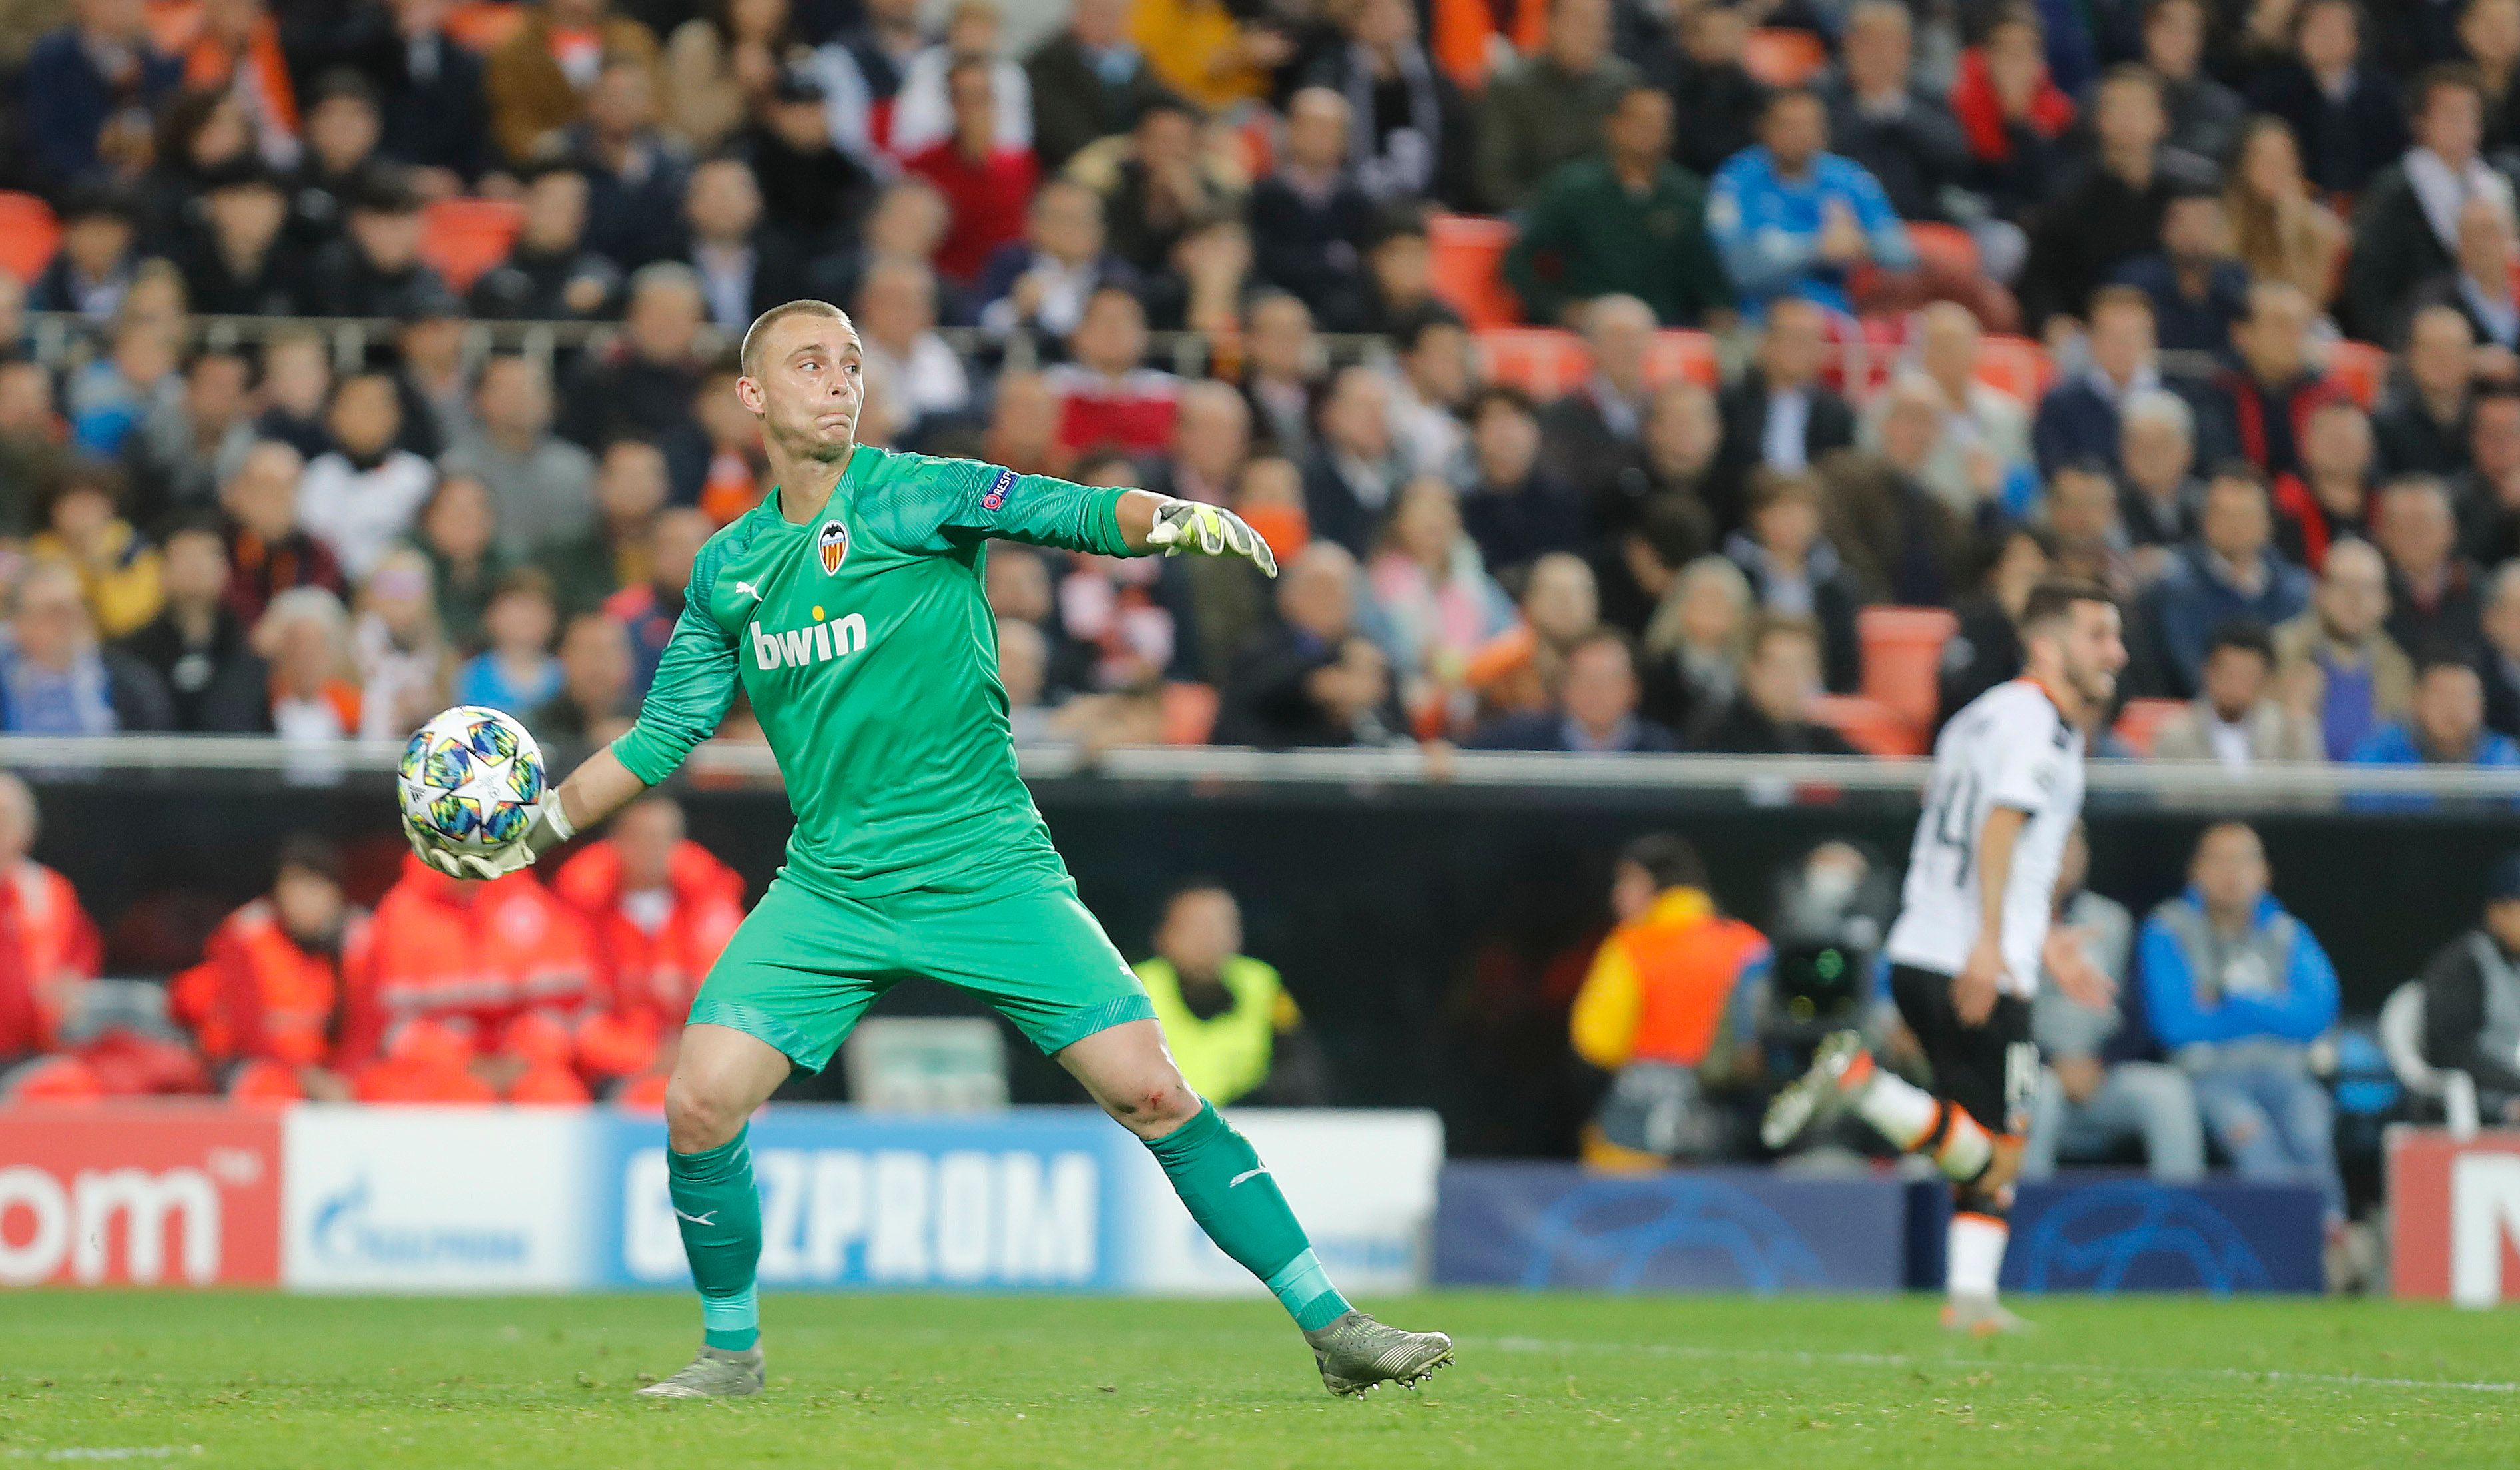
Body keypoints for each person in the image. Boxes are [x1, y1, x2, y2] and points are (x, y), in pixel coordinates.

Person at [400, 298, 1445, 1397]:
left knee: (1153, 1093)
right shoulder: (729, 567)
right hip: (833, 885)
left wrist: (1172, 516)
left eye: (851, 362)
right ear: (751, 396)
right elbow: (662, 736)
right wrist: (533, 834)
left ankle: (1334, 1326)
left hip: (989, 867)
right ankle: (729, 1354)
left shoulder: (916, 490)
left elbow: (1065, 510)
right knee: (699, 1100)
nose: (839, 380)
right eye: (810, 364)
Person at [1765, 580, 2127, 1335]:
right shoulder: (2041, 727)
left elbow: (1970, 841)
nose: (2115, 653)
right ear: (2048, 643)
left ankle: (1970, 1301)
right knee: (1997, 1155)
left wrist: (2040, 937)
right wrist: (1995, 943)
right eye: (2098, 635)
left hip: (1922, 949)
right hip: (1975, 963)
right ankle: (1866, 1087)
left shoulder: (1979, 715)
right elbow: (1997, 829)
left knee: (1975, 1136)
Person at [2138, 822, 2346, 1224]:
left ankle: (2329, 1233)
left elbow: (2317, 1015)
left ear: (2264, 873)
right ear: (2195, 871)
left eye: (2242, 861)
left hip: (2283, 1073)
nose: (2231, 874)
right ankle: (2280, 1241)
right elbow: (2175, 1024)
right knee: (2251, 1133)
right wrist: (2275, 1011)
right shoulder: (2169, 928)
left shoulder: (2286, 932)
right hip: (2207, 1076)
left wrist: (2233, 1001)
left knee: (2309, 1123)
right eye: (2218, 861)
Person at [1569, 832, 1771, 1166]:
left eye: (1626, 881)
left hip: (1639, 1121)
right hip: (1733, 1122)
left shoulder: (1631, 946)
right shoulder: (1747, 943)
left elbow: (1597, 1041)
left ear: (1653, 882)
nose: (1617, 895)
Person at [2021, 823, 2206, 1182]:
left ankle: (2185, 1223)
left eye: (2075, 843)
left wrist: (2100, 1062)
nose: (2067, 855)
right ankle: (2023, 1223)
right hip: (2033, 1071)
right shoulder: (2005, 922)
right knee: (2038, 1096)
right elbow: (1994, 1016)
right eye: (2056, 842)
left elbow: (2139, 1014)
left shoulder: (2112, 920)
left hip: (2101, 1073)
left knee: (2168, 1093)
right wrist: (2053, 1061)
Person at [550, 793, 748, 1095]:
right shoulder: (580, 906)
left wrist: (687, 1055)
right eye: (640, 838)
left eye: (662, 838)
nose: (652, 850)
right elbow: (577, 1015)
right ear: (615, 842)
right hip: (617, 1068)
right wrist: (644, 1058)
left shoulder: (711, 905)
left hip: (695, 1059)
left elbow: (731, 1005)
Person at [1503, 84, 1730, 329]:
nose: (1649, 130)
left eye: (1659, 122)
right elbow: (1518, 260)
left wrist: (1720, 315)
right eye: (1640, 120)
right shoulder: (1574, 188)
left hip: (1664, 333)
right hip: (1590, 329)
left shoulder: (1689, 196)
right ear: (1613, 125)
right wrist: (1559, 309)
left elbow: (1710, 280)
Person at [170, 834, 368, 1102]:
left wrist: (341, 1074)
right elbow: (248, 1032)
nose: (306, 901)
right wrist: (304, 1077)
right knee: (269, 1088)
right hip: (247, 1063)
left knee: (376, 1084)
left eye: (317, 888)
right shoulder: (246, 935)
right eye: (296, 887)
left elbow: (365, 1025)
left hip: (323, 1070)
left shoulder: (356, 939)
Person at [1706, 87, 1915, 318]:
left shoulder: (1849, 178)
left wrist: (1860, 243)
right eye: (1789, 125)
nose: (1799, 135)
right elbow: (1740, 269)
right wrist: (1817, 249)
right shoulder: (1736, 180)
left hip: (1837, 319)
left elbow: (1901, 254)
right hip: (1762, 320)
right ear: (1765, 128)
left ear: (1823, 131)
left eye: (1808, 125)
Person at [2346, 63, 2510, 343]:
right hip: (2422, 338)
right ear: (2421, 123)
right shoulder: (2392, 194)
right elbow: (2369, 285)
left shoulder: (2497, 185)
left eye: (2470, 115)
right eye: (2451, 115)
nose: (2463, 126)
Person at [1130, 882, 1327, 1107]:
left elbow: (1301, 1069)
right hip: (1156, 1123)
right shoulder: (1135, 986)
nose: (1209, 939)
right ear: (1162, 936)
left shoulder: (1264, 985)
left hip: (1247, 1122)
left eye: (1221, 926)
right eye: (1196, 927)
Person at [2131, 464, 2312, 697]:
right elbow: (2190, 674)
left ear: (2269, 523)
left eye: (2245, 515)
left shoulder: (2296, 592)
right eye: (2223, 513)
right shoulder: (2175, 590)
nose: (2235, 525)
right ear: (2205, 519)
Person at [1219, 543, 1408, 748]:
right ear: (1287, 596)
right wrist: (1313, 685)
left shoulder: (1369, 658)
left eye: (1339, 591)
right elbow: (1239, 719)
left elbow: (1399, 732)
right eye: (1317, 588)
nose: (1328, 601)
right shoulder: (1259, 651)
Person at [1822, 0, 1971, 228]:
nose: (1880, 54)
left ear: (1907, 47)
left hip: (1921, 216)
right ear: (1848, 45)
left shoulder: (1926, 93)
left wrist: (1901, 111)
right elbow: (1816, 159)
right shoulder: (1824, 92)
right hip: (1844, 219)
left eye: (1890, 43)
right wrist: (1865, 108)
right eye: (1869, 42)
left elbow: (1956, 159)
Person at [1712, 298, 1855, 534]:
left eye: (1809, 340)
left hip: (1815, 529)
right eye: (1791, 338)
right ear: (1765, 343)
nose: (1799, 348)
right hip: (1740, 521)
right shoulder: (1730, 403)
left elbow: (1839, 482)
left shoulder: (1837, 413)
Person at [113, 516, 268, 733]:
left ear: (226, 571)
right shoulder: (132, 655)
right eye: (185, 557)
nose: (197, 567)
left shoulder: (249, 649)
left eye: (209, 556)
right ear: (162, 570)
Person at [440, 356, 600, 560]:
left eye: (532, 388)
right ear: (478, 399)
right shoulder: (454, 468)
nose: (520, 398)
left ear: (552, 401)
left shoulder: (580, 468)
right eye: (507, 389)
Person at [2245, 0, 2407, 199]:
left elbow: (2395, 160)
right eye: (2317, 26)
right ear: (2298, 36)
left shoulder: (2384, 95)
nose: (2327, 36)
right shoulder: (2273, 93)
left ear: (2356, 39)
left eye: (2336, 27)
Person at [2275, 538, 2415, 760]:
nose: (2355, 599)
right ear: (2319, 591)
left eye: (2367, 589)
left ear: (2385, 601)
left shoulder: (2398, 667)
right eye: (2343, 585)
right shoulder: (2281, 652)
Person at [0, 774, 103, 1066]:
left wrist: (68, 989)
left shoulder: (48, 890)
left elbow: (80, 955)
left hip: (34, 1050)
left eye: (6, 817)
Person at [0, 560, 173, 733]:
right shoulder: (7, 682)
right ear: (20, 623)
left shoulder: (131, 683)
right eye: (56, 611)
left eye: (78, 606)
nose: (72, 619)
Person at [2417, 850, 2520, 1122]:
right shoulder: (2465, 963)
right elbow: (2448, 1049)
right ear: (2497, 910)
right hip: (2484, 1099)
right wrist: (2511, 1081)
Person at [1468, 625, 1678, 751]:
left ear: (1633, 689)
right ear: (1565, 687)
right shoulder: (1520, 738)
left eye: (1608, 681)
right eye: (1585, 680)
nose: (1596, 693)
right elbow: (1460, 756)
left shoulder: (1661, 750)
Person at [1024, 0, 1175, 173]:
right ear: (1078, 15)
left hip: (1128, 156)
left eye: (1114, 16)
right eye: (1100, 14)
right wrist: (1123, 150)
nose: (1108, 23)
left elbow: (1161, 96)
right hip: (1071, 162)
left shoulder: (1128, 60)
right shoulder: (1050, 62)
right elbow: (1059, 127)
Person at [2149, 619, 2326, 765]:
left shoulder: (2287, 731)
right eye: (2228, 673)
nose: (2235, 685)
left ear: (2266, 681)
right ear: (2208, 672)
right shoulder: (2176, 735)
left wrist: (2297, 727)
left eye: (2247, 676)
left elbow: (2318, 801)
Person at [1684, 613, 1856, 755]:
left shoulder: (1819, 739)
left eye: (1802, 667)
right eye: (1780, 666)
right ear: (1752, 670)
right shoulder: (1715, 731)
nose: (1791, 680)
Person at [2377, 474, 2485, 660]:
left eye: (2427, 521)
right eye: (2405, 522)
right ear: (2383, 531)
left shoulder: (2479, 590)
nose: (2417, 532)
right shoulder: (2371, 590)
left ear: (2450, 529)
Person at [2350, 652, 2520, 765]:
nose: (2452, 707)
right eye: (2441, 695)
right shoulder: (2380, 752)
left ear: (2481, 706)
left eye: (2464, 697)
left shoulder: (2504, 758)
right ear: (2416, 700)